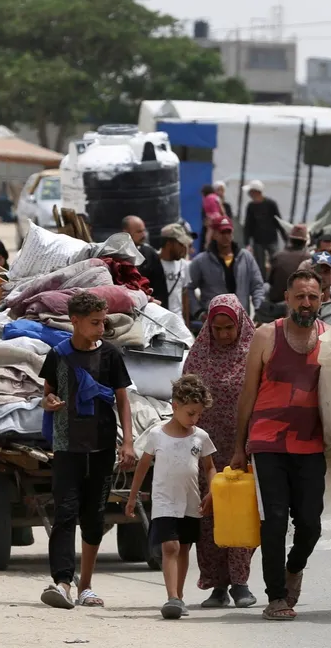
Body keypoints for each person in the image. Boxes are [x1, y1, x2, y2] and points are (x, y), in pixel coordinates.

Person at [230, 269, 331, 621]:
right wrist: (239, 446)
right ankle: (276, 597)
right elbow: (248, 394)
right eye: (300, 296)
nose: (306, 303)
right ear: (287, 298)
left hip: (311, 444)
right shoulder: (265, 336)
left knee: (310, 524)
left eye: (313, 297)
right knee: (273, 519)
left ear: (323, 300)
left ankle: (294, 568)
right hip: (268, 441)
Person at [39, 292, 136, 610]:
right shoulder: (59, 355)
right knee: (65, 514)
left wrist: (128, 442)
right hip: (66, 447)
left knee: (94, 518)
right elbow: (47, 394)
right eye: (94, 323)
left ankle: (86, 586)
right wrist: (50, 402)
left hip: (102, 447)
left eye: (103, 322)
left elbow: (122, 400)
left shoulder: (110, 355)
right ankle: (62, 583)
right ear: (75, 321)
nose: (100, 328)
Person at [181, 294, 258, 609]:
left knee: (240, 513)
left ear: (240, 323)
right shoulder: (199, 356)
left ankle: (240, 582)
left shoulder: (255, 353)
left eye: (230, 328)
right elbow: (185, 399)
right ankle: (217, 585)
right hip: (206, 452)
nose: (224, 334)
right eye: (218, 328)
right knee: (210, 516)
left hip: (244, 448)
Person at [126, 375, 217, 620]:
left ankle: (179, 596)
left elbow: (209, 467)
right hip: (164, 501)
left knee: (184, 547)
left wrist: (213, 492)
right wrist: (132, 497)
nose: (194, 419)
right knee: (170, 546)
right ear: (175, 406)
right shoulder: (157, 434)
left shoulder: (201, 436)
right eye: (190, 413)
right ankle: (172, 597)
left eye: (198, 414)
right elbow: (142, 467)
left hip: (190, 502)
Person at [188, 216, 264, 320]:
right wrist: (199, 312)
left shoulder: (246, 257)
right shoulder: (201, 261)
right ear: (214, 234)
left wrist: (259, 310)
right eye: (222, 232)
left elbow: (257, 285)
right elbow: (188, 288)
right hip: (215, 321)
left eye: (229, 232)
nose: (226, 236)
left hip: (241, 319)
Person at [121, 215, 169, 307]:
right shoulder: (117, 254)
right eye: (139, 232)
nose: (143, 235)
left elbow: (160, 287)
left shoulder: (150, 254)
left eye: (144, 231)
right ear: (126, 233)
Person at [242, 180, 286, 279]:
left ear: (255, 192)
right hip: (258, 241)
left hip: (271, 239)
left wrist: (285, 238)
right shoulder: (251, 206)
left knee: (275, 262)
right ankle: (262, 283)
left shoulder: (271, 204)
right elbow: (248, 224)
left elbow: (278, 221)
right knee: (259, 265)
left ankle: (275, 280)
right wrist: (247, 242)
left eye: (250, 191)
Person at [159, 223, 192, 325]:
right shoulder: (153, 262)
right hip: (157, 320)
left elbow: (185, 296)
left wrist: (186, 326)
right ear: (169, 243)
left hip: (177, 322)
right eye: (181, 244)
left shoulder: (184, 265)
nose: (184, 248)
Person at [268, 224, 310, 304]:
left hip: (277, 300)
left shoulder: (278, 256)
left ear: (290, 239)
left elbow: (270, 281)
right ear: (305, 241)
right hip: (299, 302)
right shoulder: (310, 259)